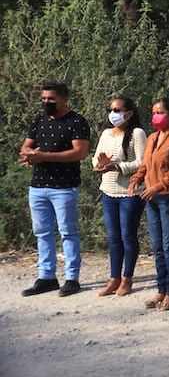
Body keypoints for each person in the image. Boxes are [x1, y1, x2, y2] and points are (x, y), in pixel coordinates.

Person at [19, 81, 90, 297]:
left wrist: (44, 156)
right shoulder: (39, 120)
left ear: (64, 99)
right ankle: (47, 276)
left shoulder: (77, 122)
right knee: (42, 233)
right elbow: (25, 145)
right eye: (43, 99)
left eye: (51, 99)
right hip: (38, 186)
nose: (46, 102)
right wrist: (29, 155)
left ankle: (72, 278)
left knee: (68, 232)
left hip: (64, 187)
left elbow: (79, 153)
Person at [128, 98, 169, 312]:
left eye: (160, 112)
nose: (156, 116)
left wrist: (158, 187)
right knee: (158, 246)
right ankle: (161, 289)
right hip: (151, 197)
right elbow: (145, 165)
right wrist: (137, 179)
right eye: (153, 112)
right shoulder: (153, 137)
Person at [92, 96, 147, 297]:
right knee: (114, 238)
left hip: (130, 193)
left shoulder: (137, 133)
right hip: (108, 191)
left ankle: (127, 278)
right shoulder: (106, 133)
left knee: (127, 236)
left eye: (117, 110)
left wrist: (118, 166)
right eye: (111, 109)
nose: (113, 114)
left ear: (129, 113)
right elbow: (96, 157)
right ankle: (114, 278)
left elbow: (143, 163)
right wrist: (99, 166)